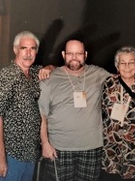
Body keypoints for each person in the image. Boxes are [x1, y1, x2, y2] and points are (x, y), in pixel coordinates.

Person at [38, 39, 111, 181]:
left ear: (85, 55)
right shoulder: (49, 78)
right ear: (64, 55)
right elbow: (42, 115)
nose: (74, 57)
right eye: (70, 53)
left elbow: (123, 80)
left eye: (78, 53)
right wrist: (45, 144)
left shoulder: (98, 73)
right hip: (59, 148)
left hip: (91, 147)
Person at [0, 31, 53, 181]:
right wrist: (1, 158)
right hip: (12, 155)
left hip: (30, 154)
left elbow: (53, 67)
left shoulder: (34, 72)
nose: (28, 53)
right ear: (15, 49)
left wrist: (48, 68)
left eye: (33, 48)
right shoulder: (8, 75)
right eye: (24, 48)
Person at [100, 46, 135, 180]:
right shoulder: (107, 84)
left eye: (131, 62)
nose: (127, 66)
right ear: (117, 66)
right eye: (122, 63)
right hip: (112, 150)